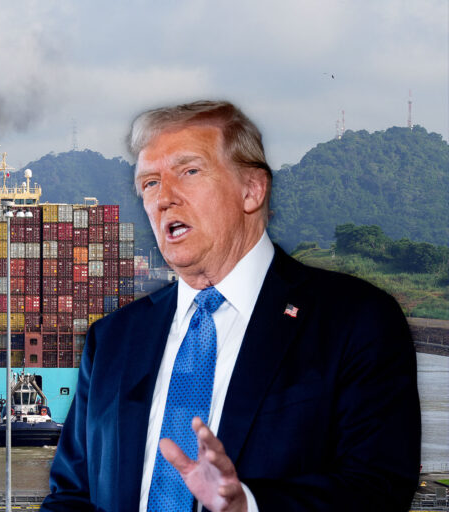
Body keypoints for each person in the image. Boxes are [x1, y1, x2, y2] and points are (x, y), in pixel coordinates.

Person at [41, 100, 421, 511]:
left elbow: (379, 489)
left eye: (189, 171)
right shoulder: (112, 338)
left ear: (252, 190)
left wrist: (248, 506)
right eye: (149, 183)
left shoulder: (356, 320)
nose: (164, 197)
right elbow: (72, 495)